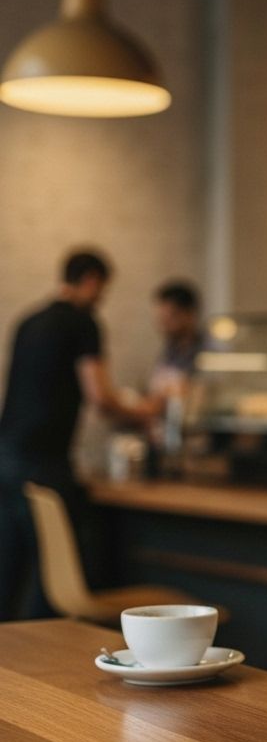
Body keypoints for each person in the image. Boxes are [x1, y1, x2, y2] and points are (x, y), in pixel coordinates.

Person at [0, 250, 157, 619]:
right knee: (54, 573)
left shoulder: (29, 321)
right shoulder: (82, 323)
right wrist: (148, 410)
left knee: (7, 570)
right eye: (102, 289)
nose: (101, 298)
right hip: (43, 462)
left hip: (5, 454)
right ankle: (47, 656)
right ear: (90, 281)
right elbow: (99, 396)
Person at [148, 279, 203, 401]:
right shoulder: (170, 349)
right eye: (161, 319)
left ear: (190, 314)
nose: (163, 325)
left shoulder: (208, 350)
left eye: (169, 318)